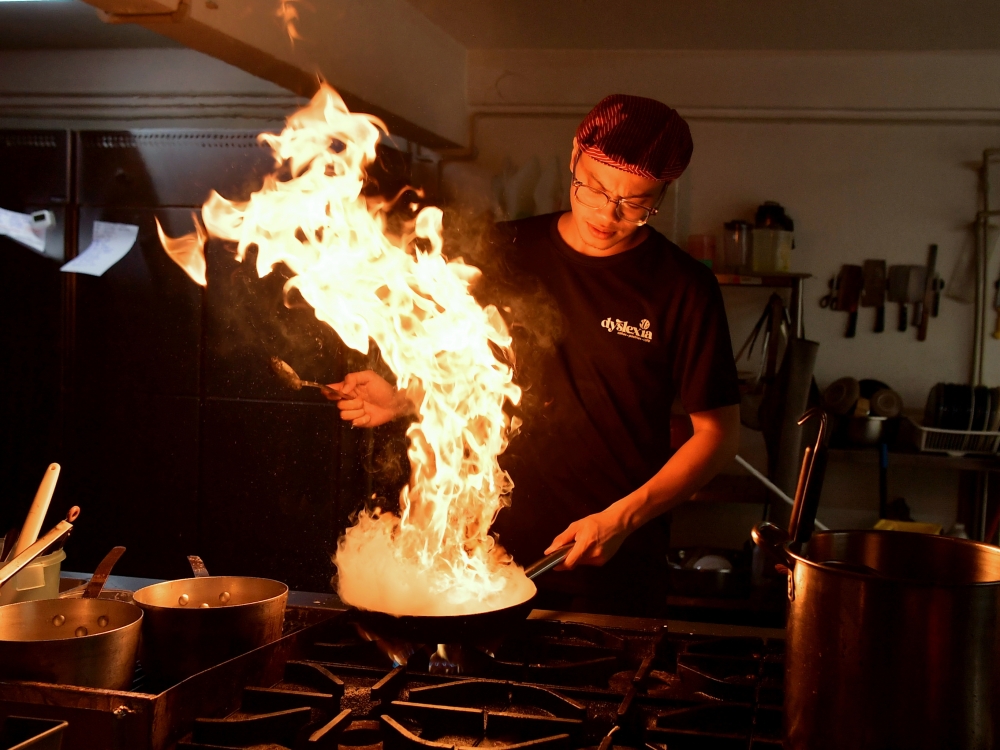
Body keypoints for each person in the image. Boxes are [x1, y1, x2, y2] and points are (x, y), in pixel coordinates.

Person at [328, 94, 741, 616]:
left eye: (635, 202)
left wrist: (622, 519)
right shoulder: (505, 251)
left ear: (663, 192)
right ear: (574, 155)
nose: (606, 213)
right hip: (483, 558)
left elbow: (719, 435)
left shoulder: (684, 288)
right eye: (593, 186)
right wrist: (408, 396)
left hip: (611, 565)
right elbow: (470, 369)